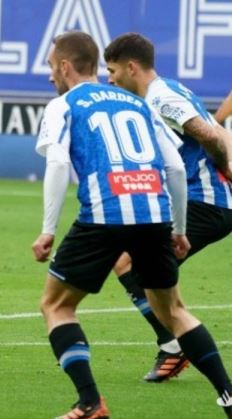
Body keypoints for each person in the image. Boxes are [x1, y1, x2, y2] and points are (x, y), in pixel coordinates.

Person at [33, 30, 232, 418]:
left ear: (64, 66)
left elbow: (57, 163)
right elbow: (174, 166)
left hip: (105, 212)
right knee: (174, 309)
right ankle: (228, 394)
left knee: (56, 306)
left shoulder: (65, 104)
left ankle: (90, 402)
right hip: (155, 213)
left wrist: (48, 230)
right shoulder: (136, 103)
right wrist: (176, 229)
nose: (49, 76)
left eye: (50, 67)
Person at [103, 32, 232, 383]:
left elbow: (208, 133)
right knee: (137, 265)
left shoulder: (160, 97)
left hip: (205, 202)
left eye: (113, 71)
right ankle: (173, 343)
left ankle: (176, 345)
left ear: (132, 67)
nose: (110, 79)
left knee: (131, 263)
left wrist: (226, 168)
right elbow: (216, 130)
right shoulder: (168, 90)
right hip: (200, 201)